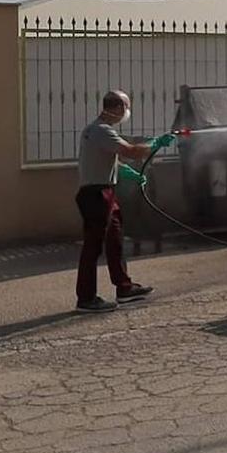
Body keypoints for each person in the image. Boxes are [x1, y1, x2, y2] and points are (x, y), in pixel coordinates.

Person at [74, 90, 171, 312]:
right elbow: (132, 151)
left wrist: (130, 174)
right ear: (117, 108)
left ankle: (124, 288)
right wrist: (156, 143)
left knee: (115, 241)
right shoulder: (102, 131)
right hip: (96, 195)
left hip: (105, 192)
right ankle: (86, 299)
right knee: (93, 246)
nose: (127, 112)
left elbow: (112, 162)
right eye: (126, 107)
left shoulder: (97, 132)